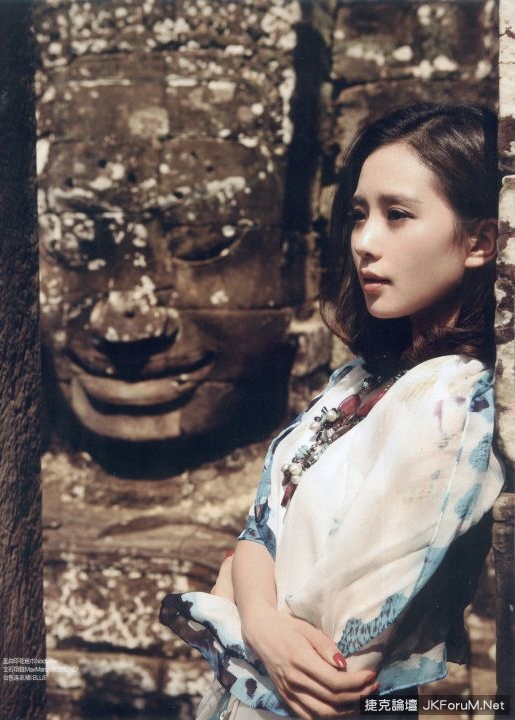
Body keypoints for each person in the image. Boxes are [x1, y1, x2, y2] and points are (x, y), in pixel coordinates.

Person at [160, 103, 505, 719]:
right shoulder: (357, 380)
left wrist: (241, 597)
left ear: (479, 241)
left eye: (397, 215)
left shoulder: (453, 399)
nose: (364, 242)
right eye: (359, 214)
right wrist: (263, 620)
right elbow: (256, 532)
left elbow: (337, 656)